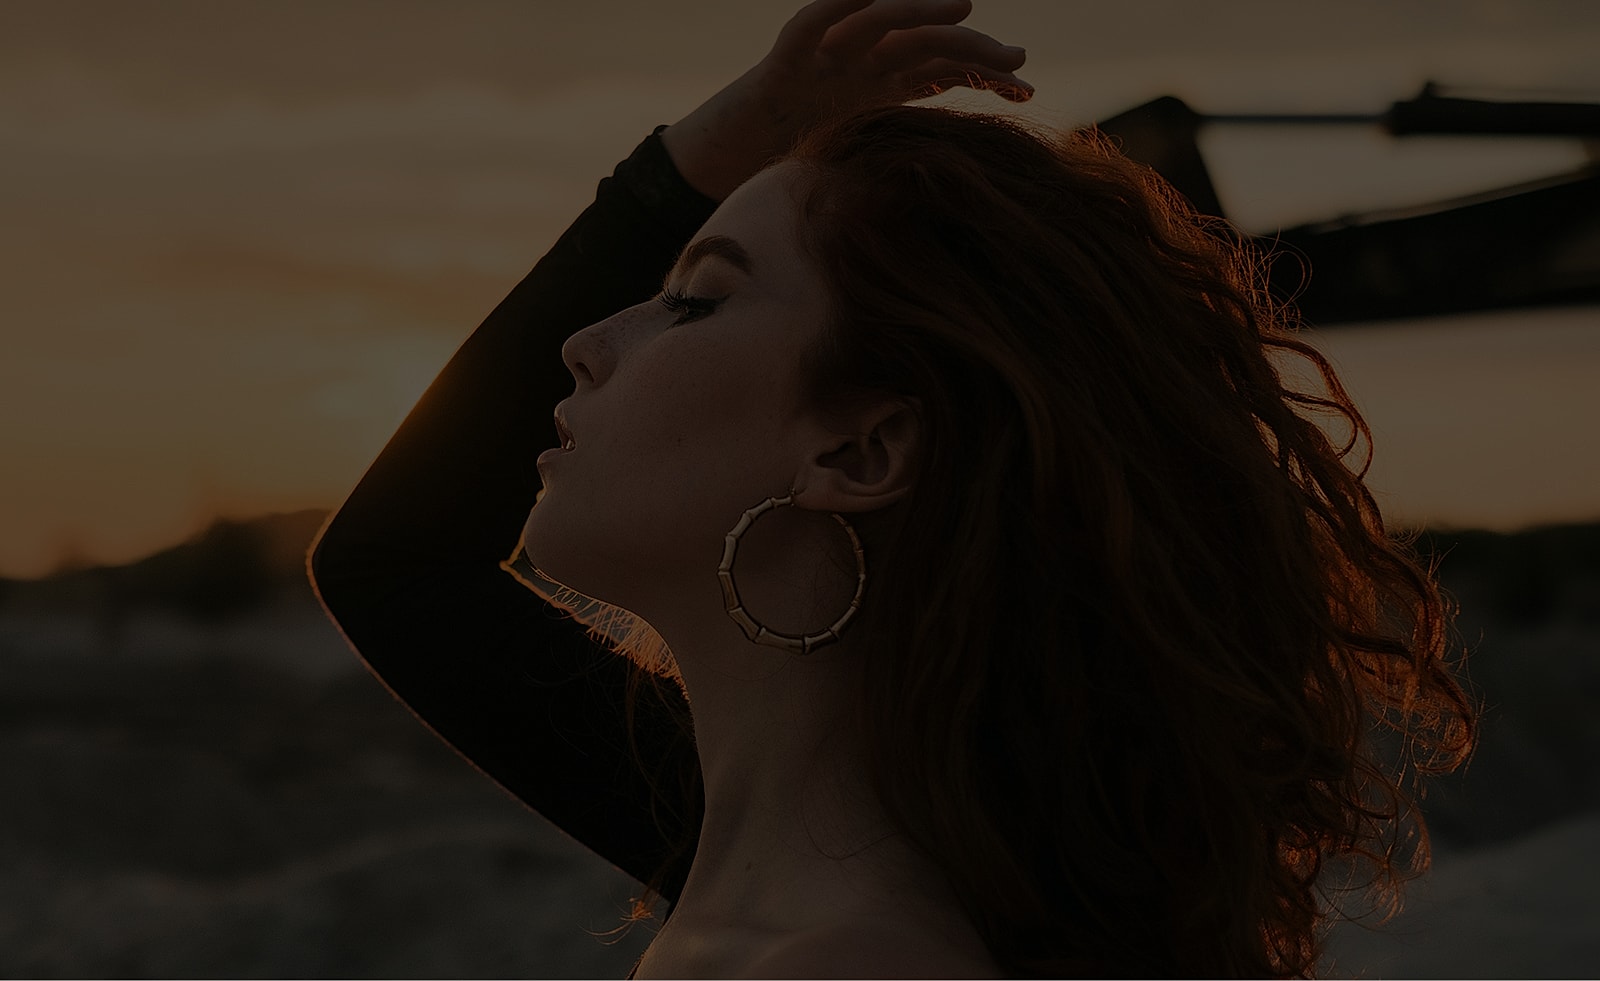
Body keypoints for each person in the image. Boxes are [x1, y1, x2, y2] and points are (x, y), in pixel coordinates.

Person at [309, 0, 1476, 976]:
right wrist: (729, 145)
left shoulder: (850, 943)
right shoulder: (807, 849)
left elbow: (401, 563)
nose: (587, 342)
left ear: (858, 455)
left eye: (696, 301)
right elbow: (396, 562)